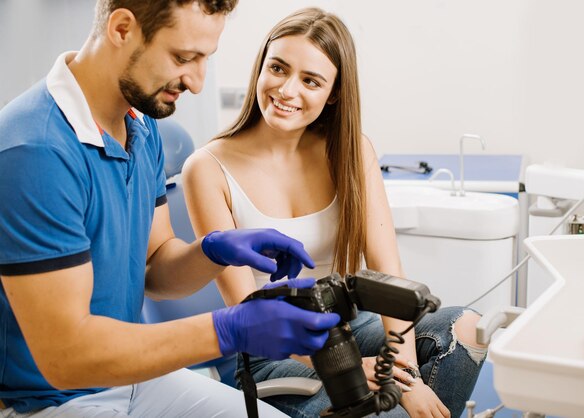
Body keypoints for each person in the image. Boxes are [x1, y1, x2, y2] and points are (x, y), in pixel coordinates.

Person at [0, 1, 343, 417]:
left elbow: (156, 270)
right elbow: (65, 357)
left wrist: (213, 250)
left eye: (205, 59)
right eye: (184, 58)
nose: (197, 83)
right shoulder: (35, 150)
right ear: (123, 28)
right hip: (47, 400)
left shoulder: (141, 126)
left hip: (132, 377)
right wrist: (229, 329)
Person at [183, 7, 488, 418]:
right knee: (381, 406)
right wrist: (351, 371)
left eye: (310, 80)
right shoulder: (207, 169)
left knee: (464, 329)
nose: (287, 90)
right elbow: (248, 311)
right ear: (261, 68)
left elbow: (388, 270)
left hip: (345, 324)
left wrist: (405, 372)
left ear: (334, 93)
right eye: (278, 68)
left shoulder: (351, 151)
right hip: (265, 352)